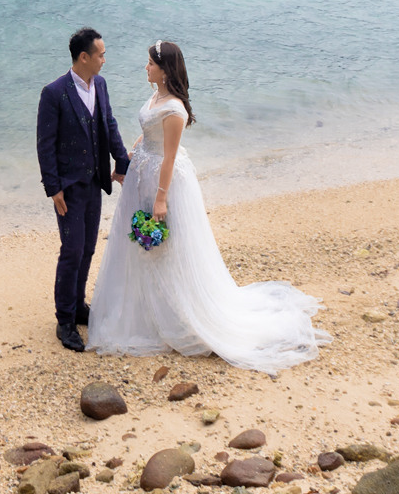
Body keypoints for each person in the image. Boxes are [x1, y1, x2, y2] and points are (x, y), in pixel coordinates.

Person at [86, 40, 327, 374]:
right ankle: (147, 307)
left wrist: (160, 198)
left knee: (164, 245)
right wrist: (128, 160)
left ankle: (175, 315)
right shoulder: (157, 97)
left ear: (165, 69)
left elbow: (169, 156)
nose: (145, 67)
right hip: (143, 172)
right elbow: (147, 134)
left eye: (150, 63)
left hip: (163, 181)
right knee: (143, 245)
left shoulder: (175, 110)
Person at [35, 27, 130, 352]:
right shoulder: (54, 92)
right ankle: (64, 320)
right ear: (84, 57)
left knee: (88, 248)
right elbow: (45, 144)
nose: (105, 59)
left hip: (94, 182)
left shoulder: (100, 85)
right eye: (101, 54)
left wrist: (121, 162)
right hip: (68, 188)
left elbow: (109, 123)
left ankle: (78, 306)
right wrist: (53, 188)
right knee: (72, 249)